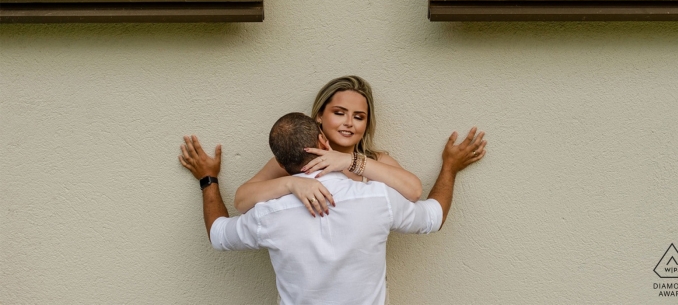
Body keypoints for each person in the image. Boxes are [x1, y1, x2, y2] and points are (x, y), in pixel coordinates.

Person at [178, 112, 486, 305]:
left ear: (282, 165)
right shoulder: (377, 198)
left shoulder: (266, 215)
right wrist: (450, 167)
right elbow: (433, 217)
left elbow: (218, 234)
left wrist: (208, 178)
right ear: (324, 142)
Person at [233, 76, 424, 217]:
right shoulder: (296, 157)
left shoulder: (375, 161)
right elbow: (241, 201)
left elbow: (414, 191)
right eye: (339, 113)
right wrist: (291, 184)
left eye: (359, 117)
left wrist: (350, 161)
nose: (349, 122)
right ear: (320, 115)